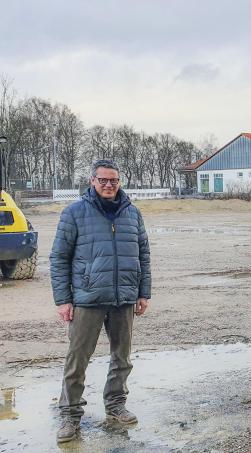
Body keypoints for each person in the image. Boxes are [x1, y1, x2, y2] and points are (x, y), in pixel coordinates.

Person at [50, 159, 151, 443]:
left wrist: (144, 292)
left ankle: (116, 404)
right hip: (87, 298)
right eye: (103, 180)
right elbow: (59, 258)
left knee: (122, 357)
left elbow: (143, 255)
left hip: (124, 298)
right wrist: (63, 299)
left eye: (114, 181)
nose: (109, 185)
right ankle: (70, 416)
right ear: (92, 181)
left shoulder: (132, 213)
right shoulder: (74, 213)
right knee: (77, 360)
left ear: (119, 182)